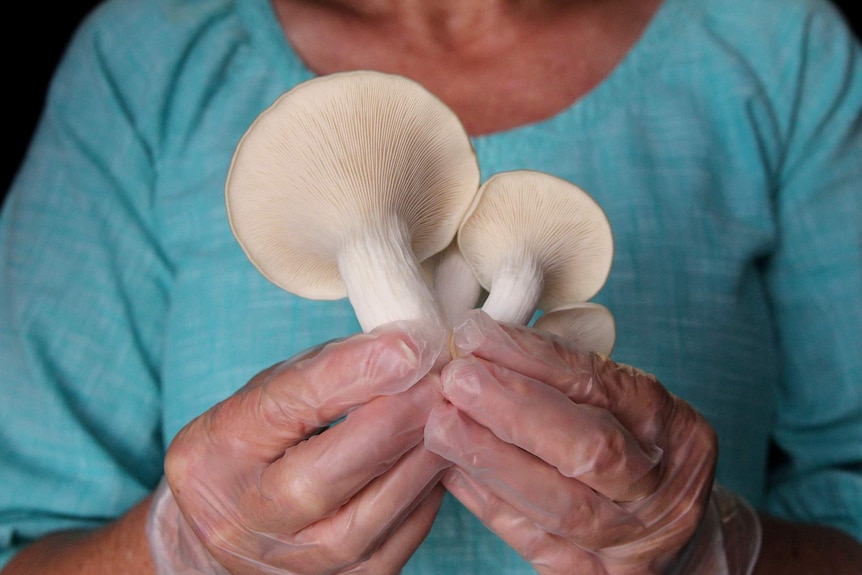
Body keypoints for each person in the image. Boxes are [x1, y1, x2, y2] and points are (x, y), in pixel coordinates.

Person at [1, 0, 860, 573]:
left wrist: (715, 550)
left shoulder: (772, 40)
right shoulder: (152, 49)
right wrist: (179, 550)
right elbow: (21, 539)